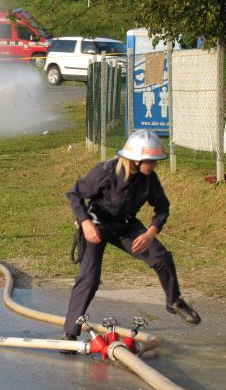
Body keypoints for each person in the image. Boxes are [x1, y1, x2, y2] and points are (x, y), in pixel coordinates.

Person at [61, 130, 200, 345]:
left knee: (161, 257)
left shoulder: (149, 179)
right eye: (151, 161)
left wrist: (151, 232)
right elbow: (74, 194)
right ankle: (70, 333)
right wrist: (85, 223)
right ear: (136, 160)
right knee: (89, 279)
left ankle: (174, 301)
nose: (155, 165)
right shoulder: (105, 172)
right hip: (96, 225)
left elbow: (162, 206)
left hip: (126, 226)